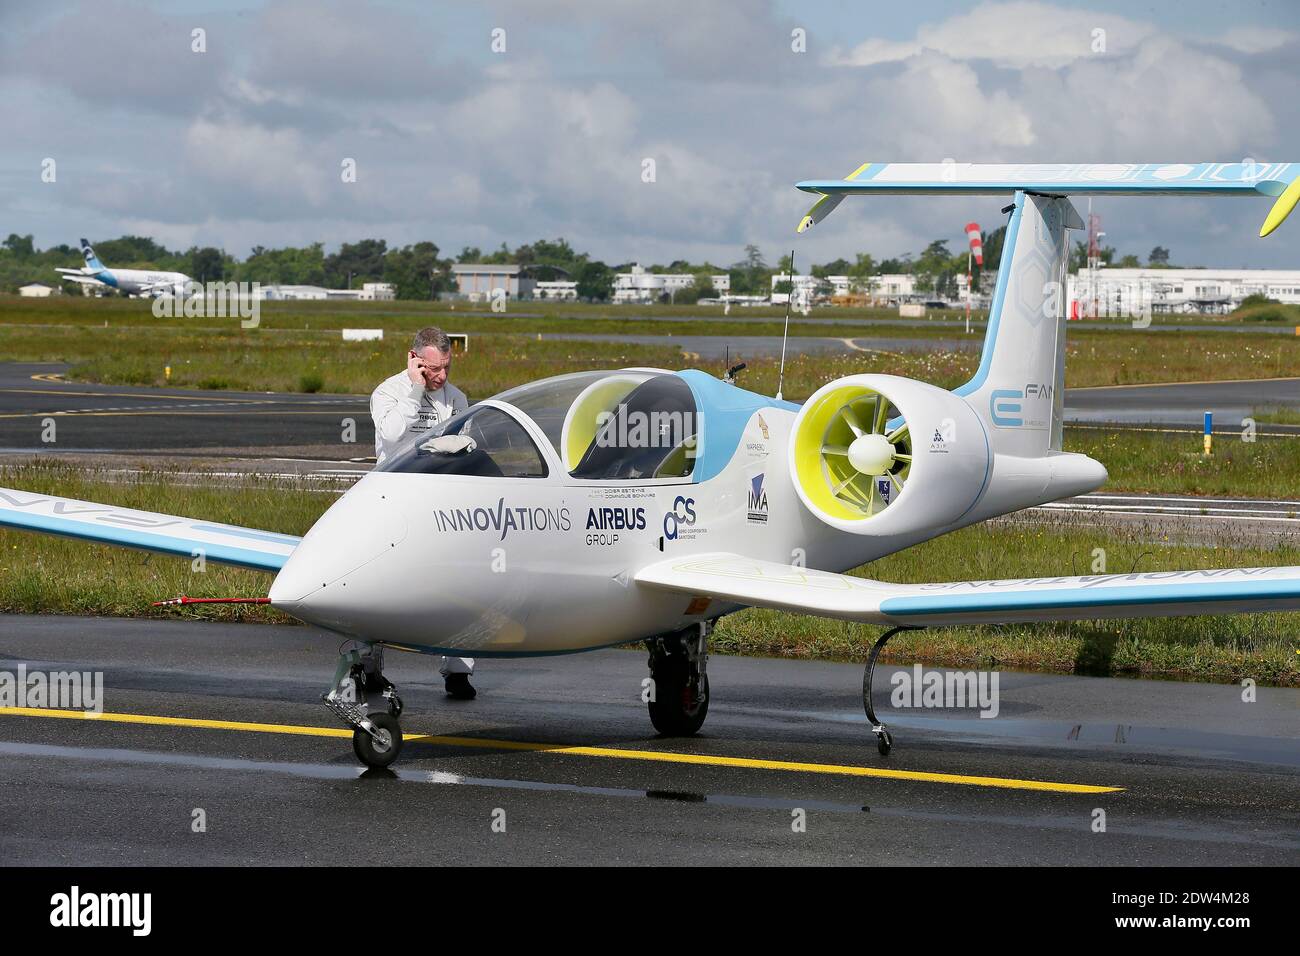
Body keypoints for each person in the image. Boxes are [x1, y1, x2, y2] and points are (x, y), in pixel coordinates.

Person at [370, 326, 477, 699]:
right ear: (414, 360)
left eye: (447, 367)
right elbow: (392, 435)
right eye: (433, 369)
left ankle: (458, 670)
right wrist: (416, 389)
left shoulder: (458, 399)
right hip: (393, 501)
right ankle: (369, 667)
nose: (442, 377)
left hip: (441, 503)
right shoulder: (388, 393)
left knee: (460, 584)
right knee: (378, 585)